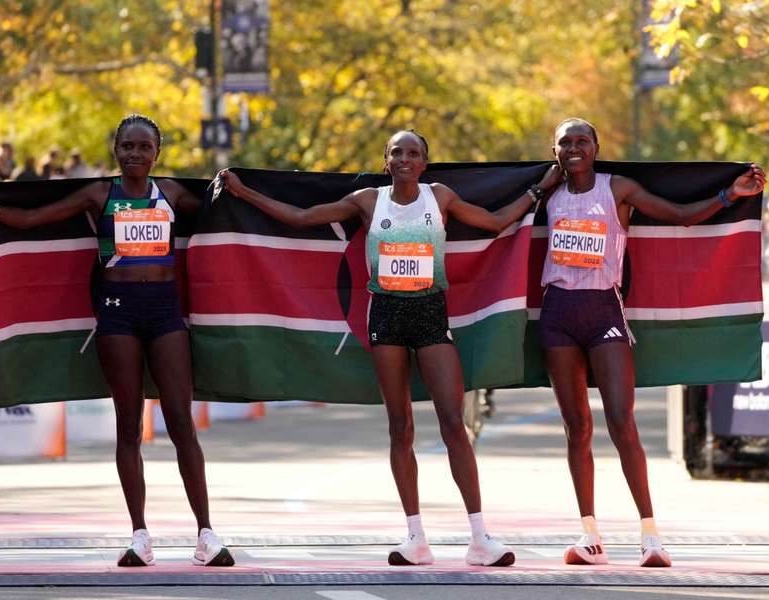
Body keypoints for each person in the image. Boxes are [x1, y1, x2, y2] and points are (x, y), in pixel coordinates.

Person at [221, 130, 560, 567]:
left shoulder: (439, 197)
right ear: (386, 161)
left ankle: (480, 537)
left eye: (413, 153)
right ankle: (415, 538)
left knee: (454, 423)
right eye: (397, 152)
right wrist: (243, 192)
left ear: (424, 162)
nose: (404, 159)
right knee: (400, 428)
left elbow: (494, 223)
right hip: (385, 320)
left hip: (431, 318)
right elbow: (303, 218)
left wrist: (539, 189)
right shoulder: (368, 201)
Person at [0, 114, 233, 568]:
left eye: (144, 147)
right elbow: (31, 219)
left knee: (182, 422)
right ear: (116, 150)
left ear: (157, 153)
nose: (135, 154)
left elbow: (225, 216)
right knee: (128, 426)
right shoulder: (99, 195)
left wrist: (237, 188)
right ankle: (140, 536)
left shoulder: (173, 193)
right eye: (127, 146)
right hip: (118, 314)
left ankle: (207, 534)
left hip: (165, 314)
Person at [538, 118, 766, 568]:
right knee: (577, 428)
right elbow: (497, 216)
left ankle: (650, 536)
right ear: (555, 151)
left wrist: (729, 195)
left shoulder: (617, 188)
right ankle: (589, 537)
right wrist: (535, 188)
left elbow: (679, 215)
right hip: (557, 313)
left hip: (604, 311)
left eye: (582, 140)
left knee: (622, 422)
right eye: (565, 142)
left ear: (596, 148)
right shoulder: (549, 193)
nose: (574, 147)